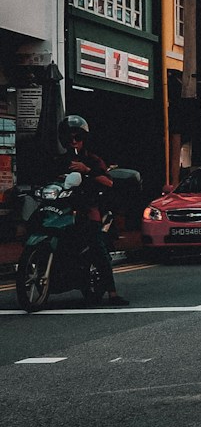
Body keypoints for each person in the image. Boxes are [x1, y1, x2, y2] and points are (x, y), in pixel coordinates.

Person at [58, 115, 128, 307]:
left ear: (83, 139)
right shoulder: (58, 160)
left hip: (87, 209)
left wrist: (86, 170)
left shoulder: (93, 159)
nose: (73, 141)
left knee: (98, 246)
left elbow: (109, 182)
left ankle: (112, 293)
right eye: (69, 138)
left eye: (77, 137)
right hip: (60, 209)